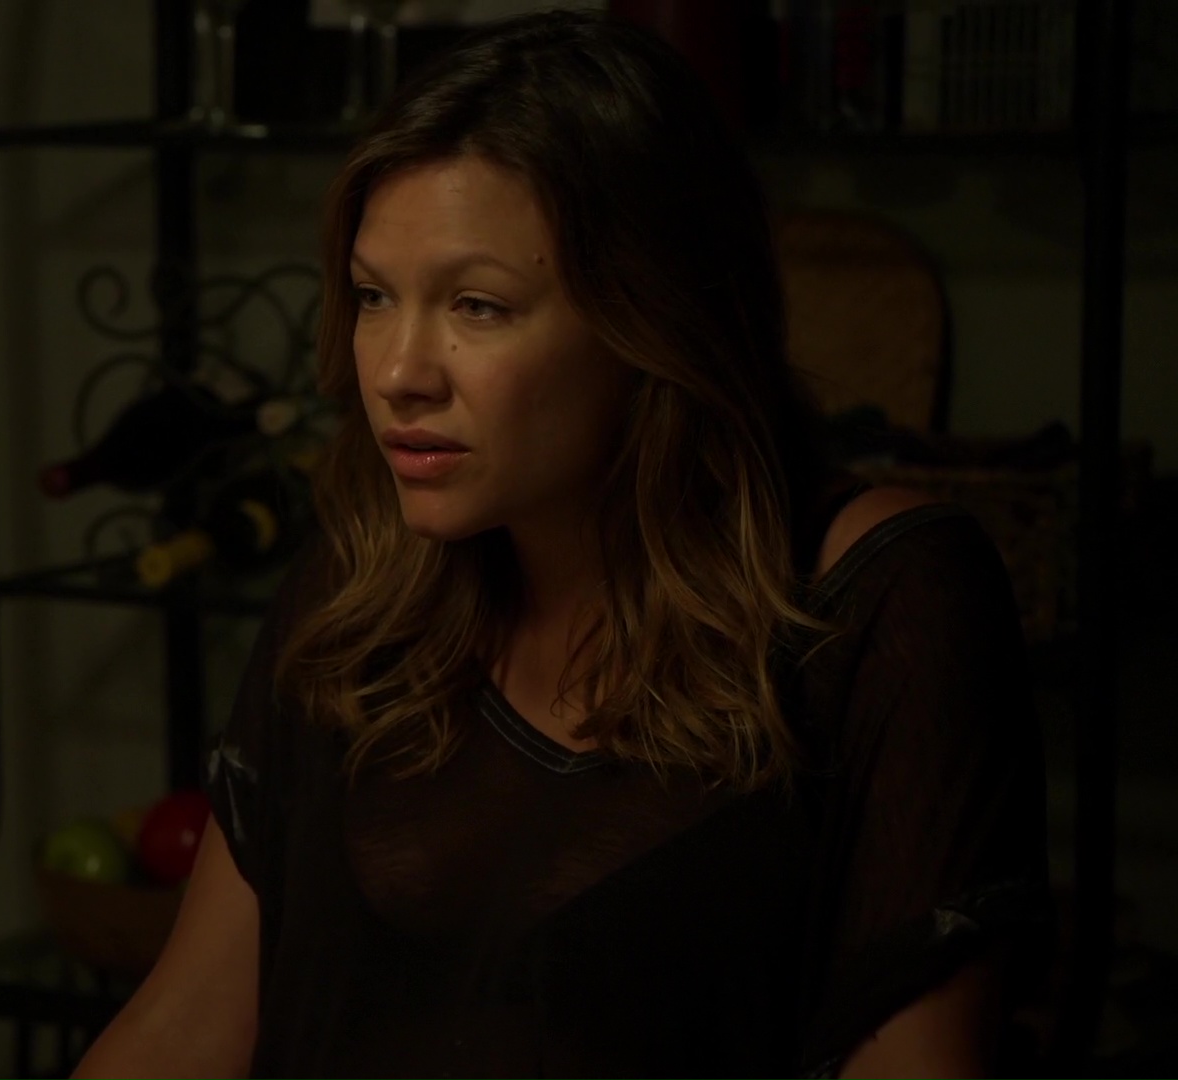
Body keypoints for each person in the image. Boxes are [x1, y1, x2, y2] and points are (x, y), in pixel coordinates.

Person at [73, 10, 1050, 1079]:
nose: (397, 372)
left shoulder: (877, 601)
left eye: (478, 306)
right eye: (372, 296)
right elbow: (184, 1027)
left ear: (653, 320)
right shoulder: (364, 584)